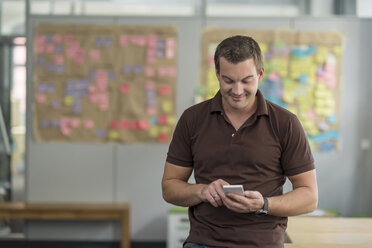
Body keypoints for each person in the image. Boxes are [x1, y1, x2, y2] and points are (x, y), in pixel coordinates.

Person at [161, 35, 318, 248]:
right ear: (217, 73)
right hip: (204, 242)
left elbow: (309, 197)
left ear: (260, 74)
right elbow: (170, 187)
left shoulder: (285, 123)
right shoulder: (192, 119)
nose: (237, 91)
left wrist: (264, 204)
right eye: (228, 80)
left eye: (246, 80)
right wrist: (202, 191)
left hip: (263, 243)